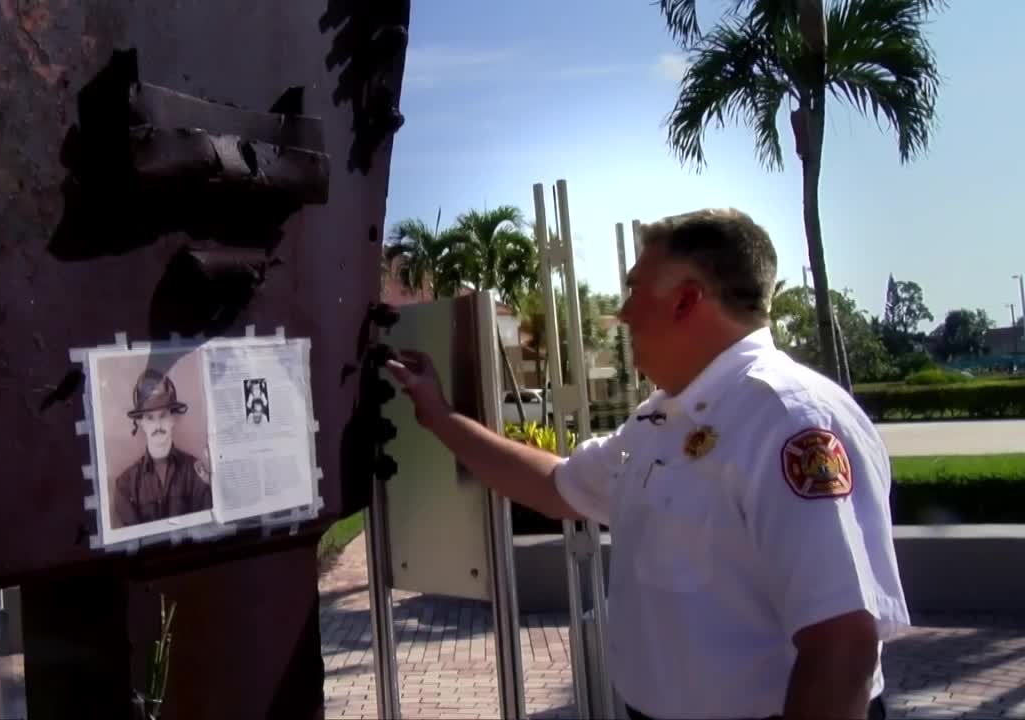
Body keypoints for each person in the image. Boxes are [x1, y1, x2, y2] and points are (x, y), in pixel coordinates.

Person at [384, 208, 907, 720]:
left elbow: (842, 647)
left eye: (636, 289)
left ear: (685, 301)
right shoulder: (661, 417)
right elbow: (556, 484)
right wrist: (440, 417)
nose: (624, 312)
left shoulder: (788, 420)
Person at [112, 369, 212, 528]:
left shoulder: (196, 474)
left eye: (163, 415)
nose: (158, 425)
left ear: (173, 418)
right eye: (150, 417)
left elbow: (205, 529)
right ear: (140, 423)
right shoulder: (125, 485)